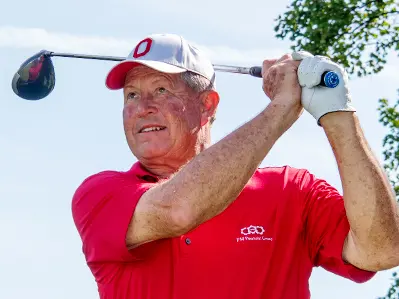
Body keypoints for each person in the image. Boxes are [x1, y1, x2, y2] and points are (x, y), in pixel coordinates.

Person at [71, 33, 399, 299]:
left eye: (161, 90)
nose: (142, 108)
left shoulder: (292, 191)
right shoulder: (100, 194)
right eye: (131, 96)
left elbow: (381, 250)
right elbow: (179, 209)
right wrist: (283, 107)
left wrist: (337, 112)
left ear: (207, 104)